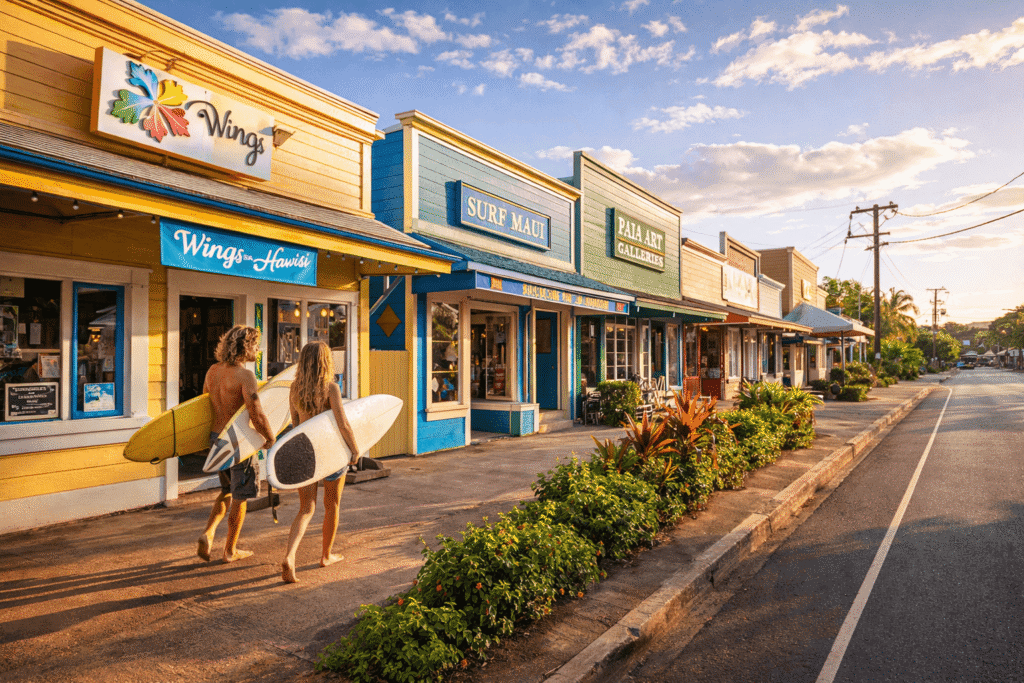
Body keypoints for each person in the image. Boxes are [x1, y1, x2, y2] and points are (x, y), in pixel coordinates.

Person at [281, 341, 360, 583]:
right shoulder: (330, 389)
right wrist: (355, 450)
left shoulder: (294, 389)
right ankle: (326, 555)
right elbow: (343, 424)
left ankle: (290, 556)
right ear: (325, 361)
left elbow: (296, 426)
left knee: (306, 509)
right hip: (330, 452)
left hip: (305, 452)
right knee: (332, 505)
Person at [197, 325, 276, 563]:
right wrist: (269, 437)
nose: (258, 349)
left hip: (217, 438)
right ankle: (230, 550)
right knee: (240, 496)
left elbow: (203, 405)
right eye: (255, 344)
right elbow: (256, 412)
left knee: (226, 491)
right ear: (245, 346)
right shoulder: (245, 376)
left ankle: (208, 533)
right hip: (239, 441)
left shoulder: (213, 371)